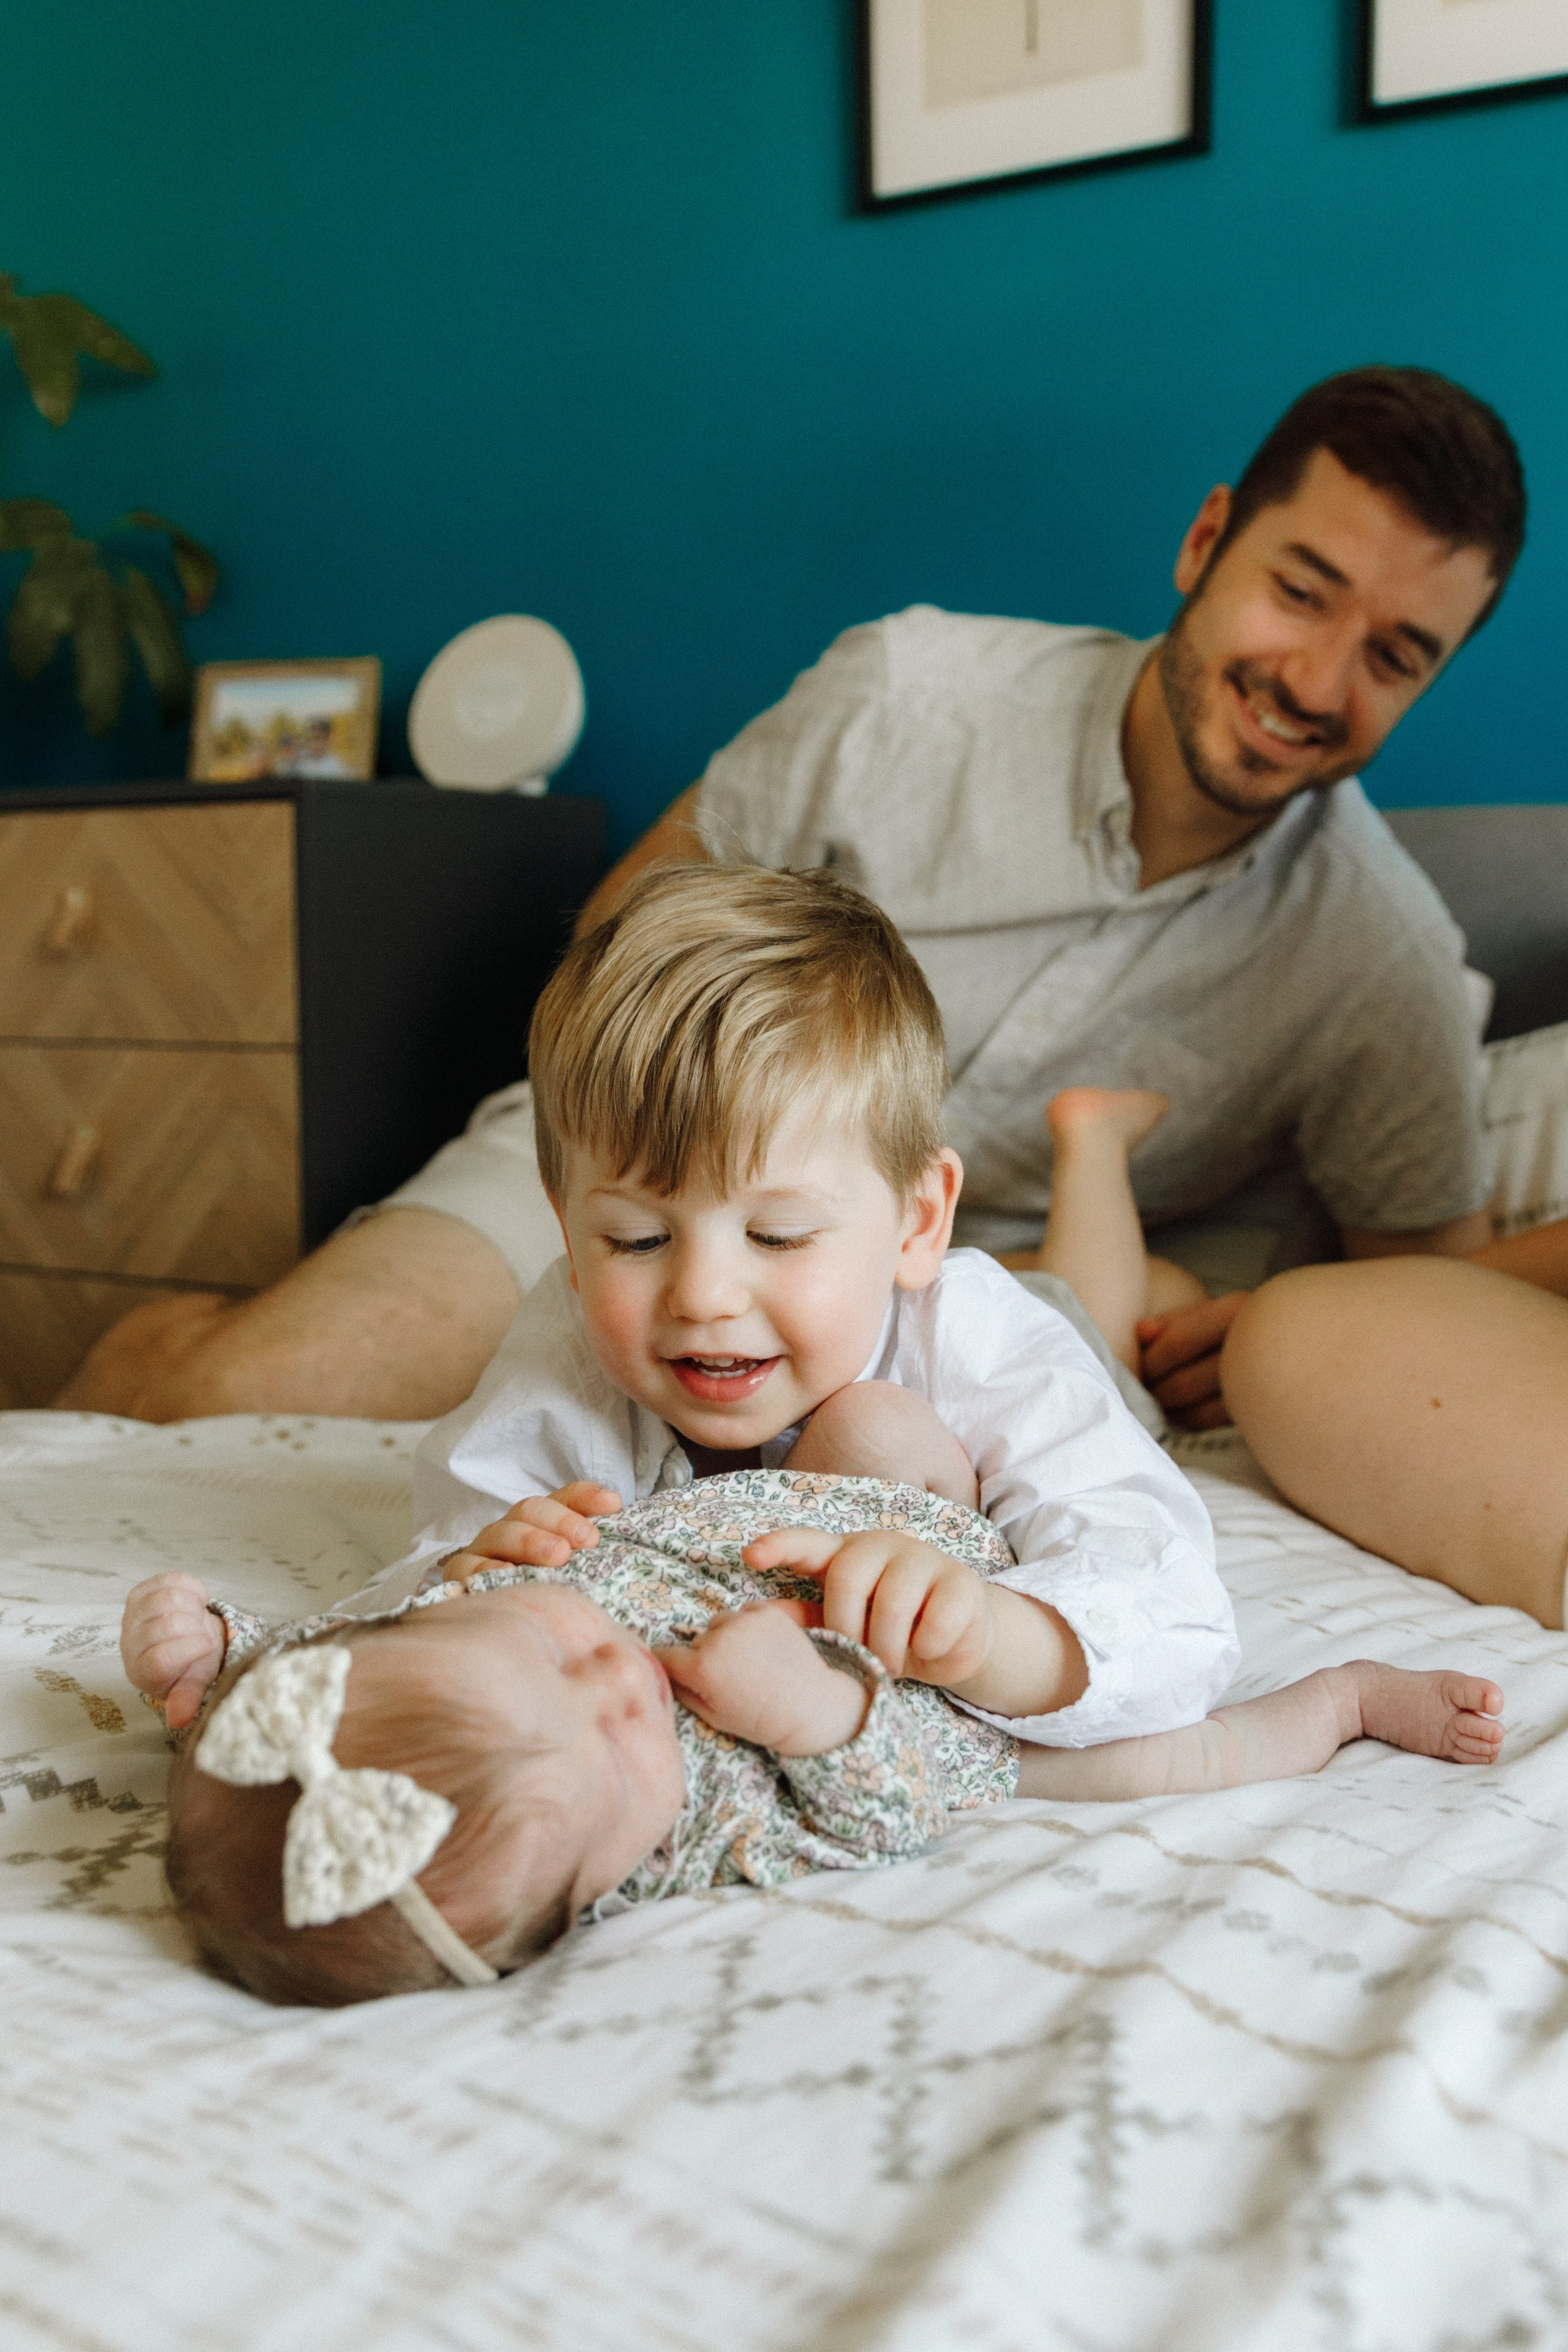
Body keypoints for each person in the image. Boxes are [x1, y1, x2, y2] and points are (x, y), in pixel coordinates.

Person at [58, 366, 1528, 1427]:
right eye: (1298, 589)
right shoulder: (905, 691)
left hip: (976, 1297)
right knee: (251, 1396)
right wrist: (663, 1214)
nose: (1317, 682)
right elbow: (616, 943)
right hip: (649, 1166)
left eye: (1395, 654)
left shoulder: (1373, 956)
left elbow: (1431, 1283)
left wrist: (1260, 1315)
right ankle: (166, 1342)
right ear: (1205, 543)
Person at [131, 1478, 1504, 2008]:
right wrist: (811, 1714)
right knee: (1162, 1758)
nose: (620, 1682)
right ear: (586, 1897)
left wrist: (208, 1650)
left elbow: (331, 1673)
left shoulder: (411, 1659)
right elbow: (884, 1814)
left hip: (858, 1522)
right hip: (945, 1699)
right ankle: (1339, 1704)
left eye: (556, 1650)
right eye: (616, 1747)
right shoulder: (686, 1833)